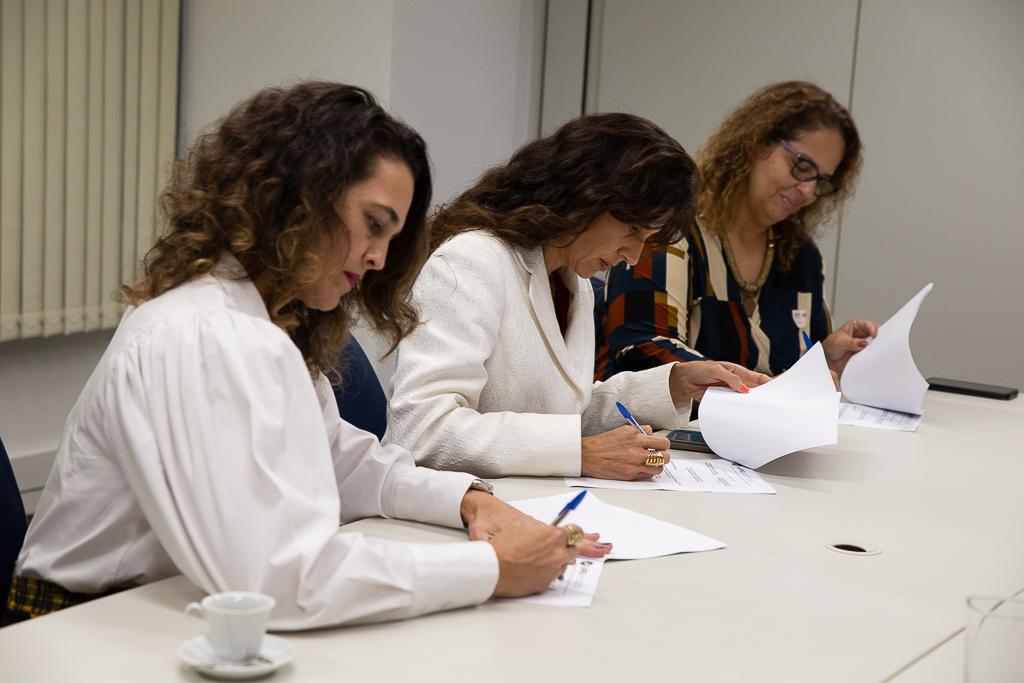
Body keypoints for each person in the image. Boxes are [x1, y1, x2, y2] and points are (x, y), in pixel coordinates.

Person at [5, 82, 607, 630]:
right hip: (79, 627)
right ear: (295, 196)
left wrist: (468, 500)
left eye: (391, 238)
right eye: (372, 224)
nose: (378, 257)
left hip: (166, 608)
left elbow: (342, 461)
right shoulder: (203, 332)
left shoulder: (265, 320)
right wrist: (492, 570)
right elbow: (275, 582)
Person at [384, 113, 768, 481]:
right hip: (447, 508)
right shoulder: (472, 260)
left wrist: (674, 384)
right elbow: (421, 428)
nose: (633, 257)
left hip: (523, 499)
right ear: (586, 194)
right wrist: (580, 453)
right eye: (632, 230)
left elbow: (562, 414)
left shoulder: (572, 280)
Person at [596, 81, 877, 383]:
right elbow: (643, 354)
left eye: (821, 181)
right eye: (803, 166)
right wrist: (756, 391)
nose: (808, 190)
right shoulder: (668, 229)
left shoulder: (801, 257)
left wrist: (824, 358)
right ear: (756, 142)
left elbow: (794, 378)